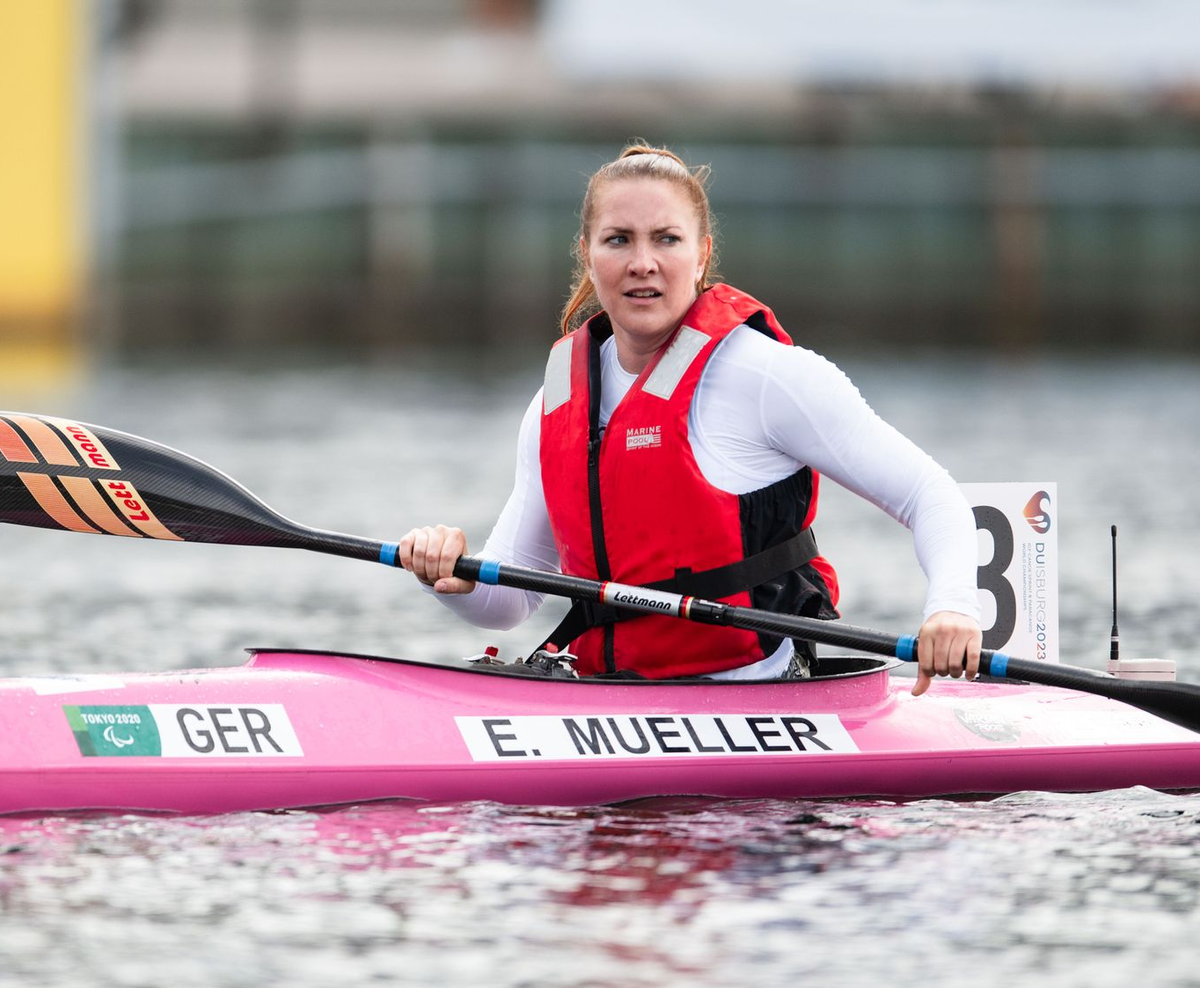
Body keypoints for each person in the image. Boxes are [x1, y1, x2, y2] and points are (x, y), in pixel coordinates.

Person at [400, 142, 982, 694]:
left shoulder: (766, 377)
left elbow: (929, 494)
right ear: (587, 254)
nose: (642, 263)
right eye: (618, 240)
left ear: (702, 253)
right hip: (614, 697)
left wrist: (953, 608)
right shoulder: (555, 404)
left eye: (667, 239)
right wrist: (451, 575)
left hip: (759, 691)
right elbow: (507, 603)